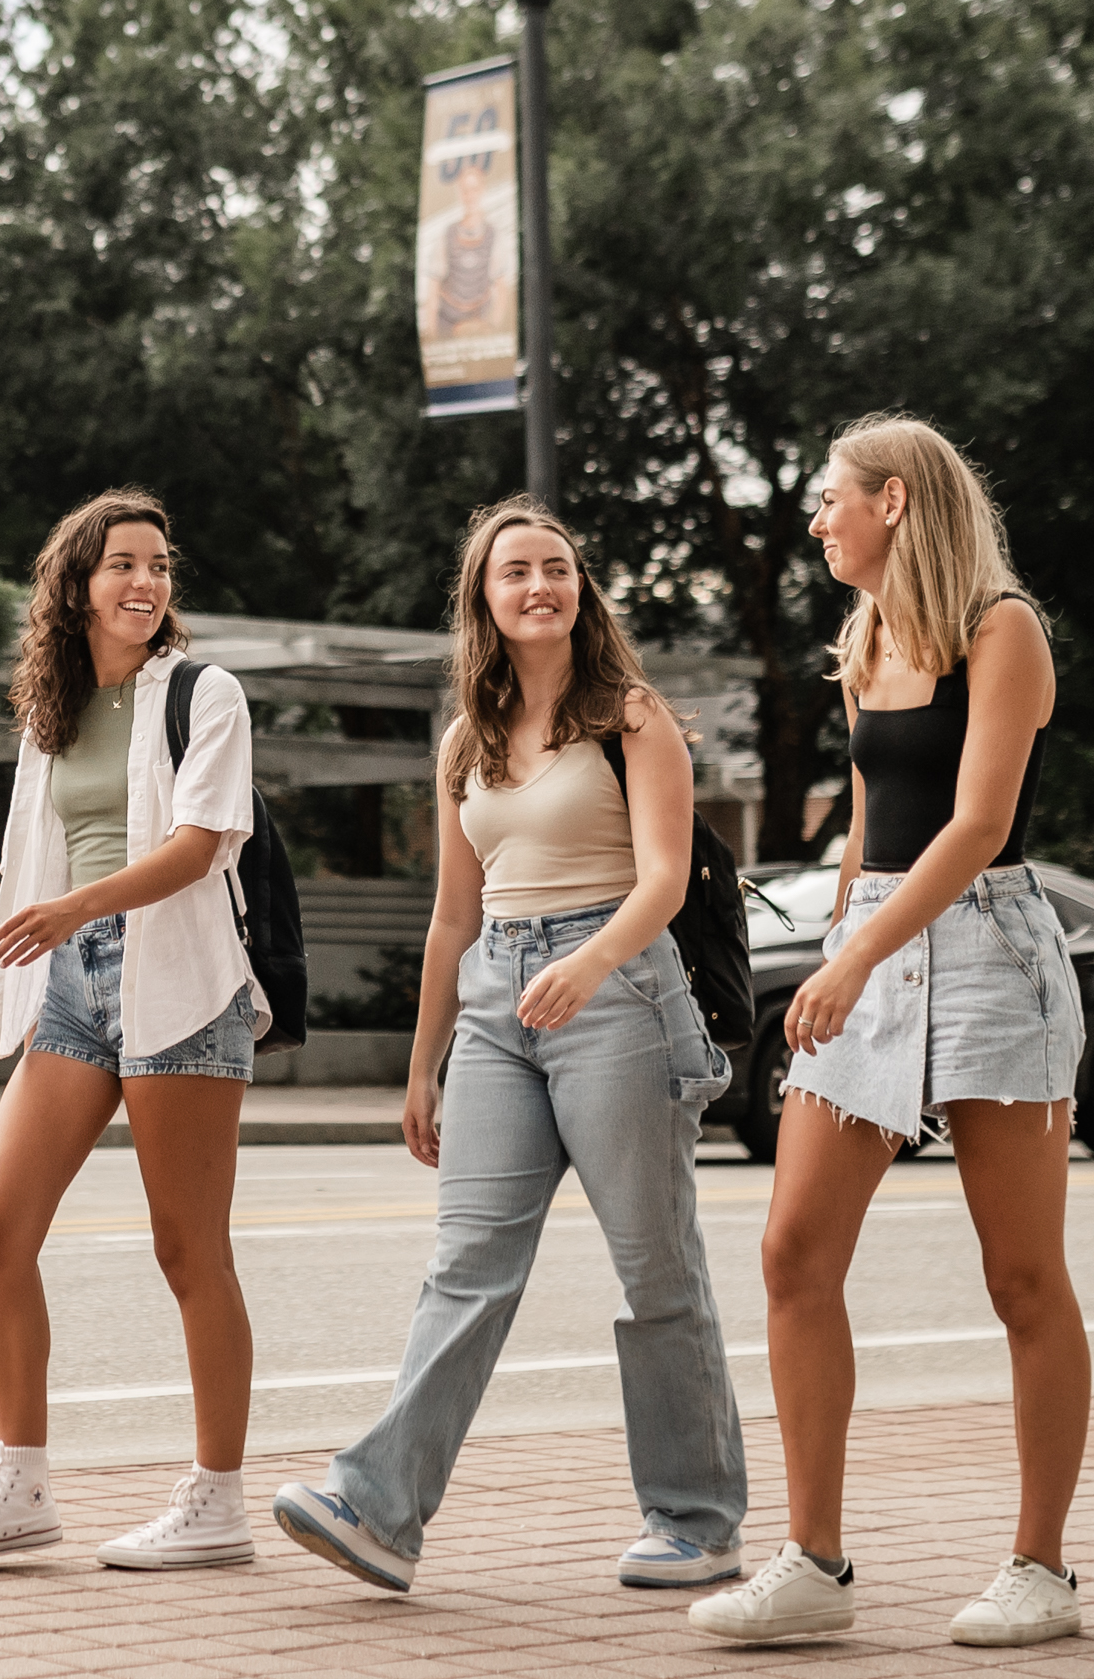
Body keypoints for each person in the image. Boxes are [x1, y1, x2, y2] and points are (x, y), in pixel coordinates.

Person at [274, 497, 747, 1596]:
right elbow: (451, 915)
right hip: (496, 998)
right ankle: (380, 1506)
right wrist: (423, 1059)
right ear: (483, 600)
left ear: (581, 592)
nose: (539, 584)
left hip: (617, 986)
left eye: (557, 568)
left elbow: (668, 878)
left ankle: (697, 1517)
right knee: (466, 1266)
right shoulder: (467, 743)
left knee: (654, 1267)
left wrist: (589, 963)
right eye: (514, 572)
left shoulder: (632, 718)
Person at [693, 415, 1087, 1652]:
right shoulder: (866, 638)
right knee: (791, 1250)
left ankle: (1043, 1569)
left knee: (1021, 1276)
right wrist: (838, 955)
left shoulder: (1001, 631)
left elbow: (974, 826)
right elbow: (868, 835)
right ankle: (813, 1560)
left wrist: (858, 954)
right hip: (876, 942)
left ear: (899, 502)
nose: (817, 520)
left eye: (830, 499)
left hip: (989, 952)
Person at [0, 489, 265, 1572]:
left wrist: (75, 908)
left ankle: (219, 1501)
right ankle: (19, 1487)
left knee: (186, 1247)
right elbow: (42, 848)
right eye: (122, 565)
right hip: (78, 984)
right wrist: (47, 934)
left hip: (183, 979)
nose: (146, 583)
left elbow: (205, 843)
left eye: (160, 565)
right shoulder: (49, 712)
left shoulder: (205, 694)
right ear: (75, 584)